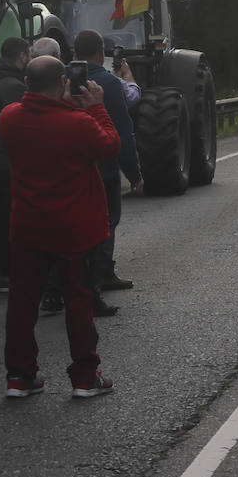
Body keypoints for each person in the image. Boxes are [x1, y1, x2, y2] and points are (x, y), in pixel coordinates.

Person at [0, 55, 119, 400]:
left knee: (22, 304)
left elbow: (38, 121)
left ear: (26, 85)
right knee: (78, 303)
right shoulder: (78, 123)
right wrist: (94, 107)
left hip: (27, 228)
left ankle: (20, 377)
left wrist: (67, 106)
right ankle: (84, 376)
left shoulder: (9, 119)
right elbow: (110, 145)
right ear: (63, 85)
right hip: (73, 230)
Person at [73, 30, 142, 297]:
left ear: (74, 52)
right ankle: (101, 272)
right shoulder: (109, 84)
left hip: (70, 166)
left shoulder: (61, 77)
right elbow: (123, 133)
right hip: (103, 166)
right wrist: (135, 175)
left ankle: (70, 276)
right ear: (102, 53)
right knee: (107, 220)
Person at [0, 37, 31, 293]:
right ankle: (11, 275)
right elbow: (23, 128)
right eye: (30, 54)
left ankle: (8, 273)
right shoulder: (13, 87)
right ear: (22, 56)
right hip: (9, 163)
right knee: (13, 220)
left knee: (5, 218)